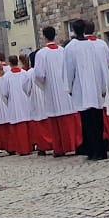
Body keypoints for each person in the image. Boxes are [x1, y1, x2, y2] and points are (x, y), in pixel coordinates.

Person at [64, 19, 109, 159]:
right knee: (97, 121)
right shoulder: (93, 45)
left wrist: (68, 86)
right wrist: (103, 85)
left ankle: (92, 150)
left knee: (87, 121)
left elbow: (69, 69)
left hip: (81, 88)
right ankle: (100, 150)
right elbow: (102, 66)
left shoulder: (71, 47)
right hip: (96, 87)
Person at [30, 26, 74, 158]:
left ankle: (59, 148)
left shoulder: (41, 54)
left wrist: (44, 86)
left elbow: (38, 74)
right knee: (68, 118)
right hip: (65, 89)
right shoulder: (63, 51)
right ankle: (71, 145)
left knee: (55, 121)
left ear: (44, 36)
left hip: (51, 91)